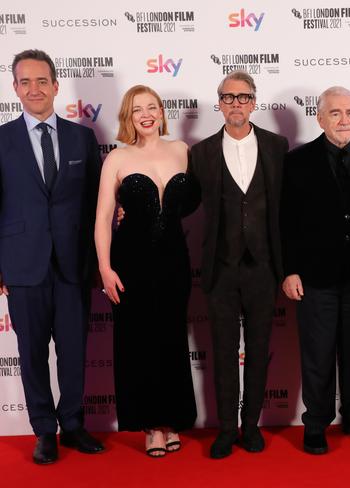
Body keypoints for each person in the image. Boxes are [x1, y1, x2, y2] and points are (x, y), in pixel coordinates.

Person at [0, 49, 104, 464]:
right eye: (25, 81)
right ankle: (44, 430)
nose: (34, 89)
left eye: (42, 80)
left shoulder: (82, 137)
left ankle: (74, 424)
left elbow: (97, 203)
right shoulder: (1, 139)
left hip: (73, 264)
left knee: (74, 350)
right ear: (15, 89)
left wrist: (98, 262)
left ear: (56, 86)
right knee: (31, 353)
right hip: (22, 264)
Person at [281, 86, 350, 455]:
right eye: (336, 113)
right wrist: (290, 270)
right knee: (318, 354)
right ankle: (316, 422)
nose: (345, 120)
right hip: (314, 277)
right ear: (320, 118)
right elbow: (286, 222)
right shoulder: (296, 161)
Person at [95, 85, 198, 457]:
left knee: (170, 340)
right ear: (128, 116)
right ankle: (150, 426)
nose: (146, 114)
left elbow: (195, 201)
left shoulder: (183, 151)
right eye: (138, 109)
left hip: (174, 260)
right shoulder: (116, 159)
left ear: (161, 111)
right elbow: (104, 217)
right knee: (137, 343)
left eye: (152, 106)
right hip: (130, 263)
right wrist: (105, 268)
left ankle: (171, 419)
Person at [189, 71, 288, 459]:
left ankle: (251, 427)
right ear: (219, 103)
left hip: (264, 267)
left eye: (242, 97)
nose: (235, 104)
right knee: (224, 351)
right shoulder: (200, 153)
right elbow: (184, 202)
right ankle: (227, 428)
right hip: (220, 267)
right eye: (227, 97)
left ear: (253, 102)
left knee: (260, 347)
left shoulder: (278, 146)